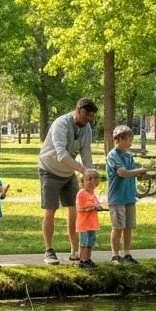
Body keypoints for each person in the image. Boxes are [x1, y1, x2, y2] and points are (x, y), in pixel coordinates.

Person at [38, 97, 97, 264]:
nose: (89, 121)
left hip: (69, 172)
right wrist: (84, 170)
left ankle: (74, 251)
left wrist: (90, 174)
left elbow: (86, 152)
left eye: (92, 117)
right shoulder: (61, 124)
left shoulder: (86, 129)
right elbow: (61, 154)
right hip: (49, 170)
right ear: (79, 110)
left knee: (74, 210)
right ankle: (49, 251)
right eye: (88, 116)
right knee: (51, 210)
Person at [106, 124, 148, 264]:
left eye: (131, 139)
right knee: (118, 227)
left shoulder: (129, 156)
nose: (131, 142)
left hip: (129, 196)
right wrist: (138, 171)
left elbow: (132, 172)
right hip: (117, 198)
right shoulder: (112, 155)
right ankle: (115, 255)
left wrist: (142, 173)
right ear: (118, 139)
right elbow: (122, 172)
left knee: (128, 227)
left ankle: (127, 253)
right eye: (128, 139)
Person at [75, 168, 107, 268]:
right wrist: (92, 208)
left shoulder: (93, 194)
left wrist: (101, 207)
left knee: (90, 243)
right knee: (84, 243)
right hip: (84, 224)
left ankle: (88, 259)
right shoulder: (81, 193)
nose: (91, 181)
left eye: (94, 179)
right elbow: (80, 208)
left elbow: (98, 205)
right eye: (89, 179)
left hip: (92, 224)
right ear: (83, 181)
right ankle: (83, 260)